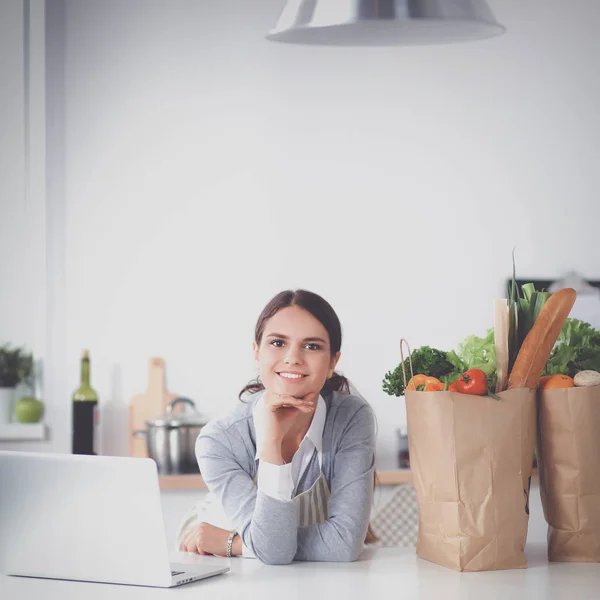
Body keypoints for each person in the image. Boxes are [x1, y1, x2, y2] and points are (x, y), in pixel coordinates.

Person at [177, 289, 377, 564]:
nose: (293, 357)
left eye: (312, 346)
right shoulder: (219, 441)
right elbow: (275, 551)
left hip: (230, 547)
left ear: (332, 362)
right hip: (214, 561)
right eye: (277, 342)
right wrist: (272, 444)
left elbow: (343, 545)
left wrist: (234, 543)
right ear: (256, 352)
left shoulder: (350, 417)